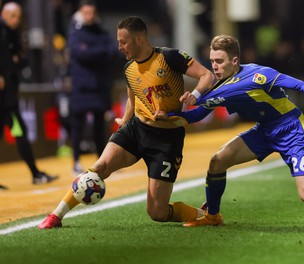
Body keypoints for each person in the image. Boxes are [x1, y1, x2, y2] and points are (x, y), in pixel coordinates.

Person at [167, 35, 304, 227]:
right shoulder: (219, 88)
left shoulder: (258, 75)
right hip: (264, 131)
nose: (214, 66)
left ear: (235, 60)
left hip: (292, 130)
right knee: (218, 161)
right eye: (212, 61)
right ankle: (212, 216)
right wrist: (171, 118)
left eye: (219, 61)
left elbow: (302, 84)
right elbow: (198, 115)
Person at [38, 16, 215, 229]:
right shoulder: (129, 68)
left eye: (123, 41)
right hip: (136, 130)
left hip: (166, 140)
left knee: (157, 212)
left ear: (139, 39)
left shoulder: (169, 57)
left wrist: (194, 95)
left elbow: (207, 75)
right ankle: (56, 215)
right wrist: (125, 118)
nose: (119, 47)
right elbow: (134, 97)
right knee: (99, 167)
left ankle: (203, 214)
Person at [0, 2, 58, 188]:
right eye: (13, 15)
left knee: (20, 133)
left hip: (8, 99)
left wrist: (14, 62)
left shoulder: (11, 34)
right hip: (5, 102)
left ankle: (35, 173)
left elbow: (19, 60)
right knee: (21, 133)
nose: (16, 19)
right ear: (4, 14)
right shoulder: (3, 33)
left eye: (18, 16)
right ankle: (35, 173)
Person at [67, 0, 118, 174]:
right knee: (78, 126)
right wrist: (98, 52)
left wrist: (92, 51)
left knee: (100, 126)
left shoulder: (101, 31)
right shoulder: (75, 32)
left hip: (99, 85)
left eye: (91, 13)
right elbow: (80, 53)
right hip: (81, 86)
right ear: (81, 13)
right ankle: (75, 161)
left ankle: (101, 162)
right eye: (86, 13)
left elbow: (112, 50)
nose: (89, 16)